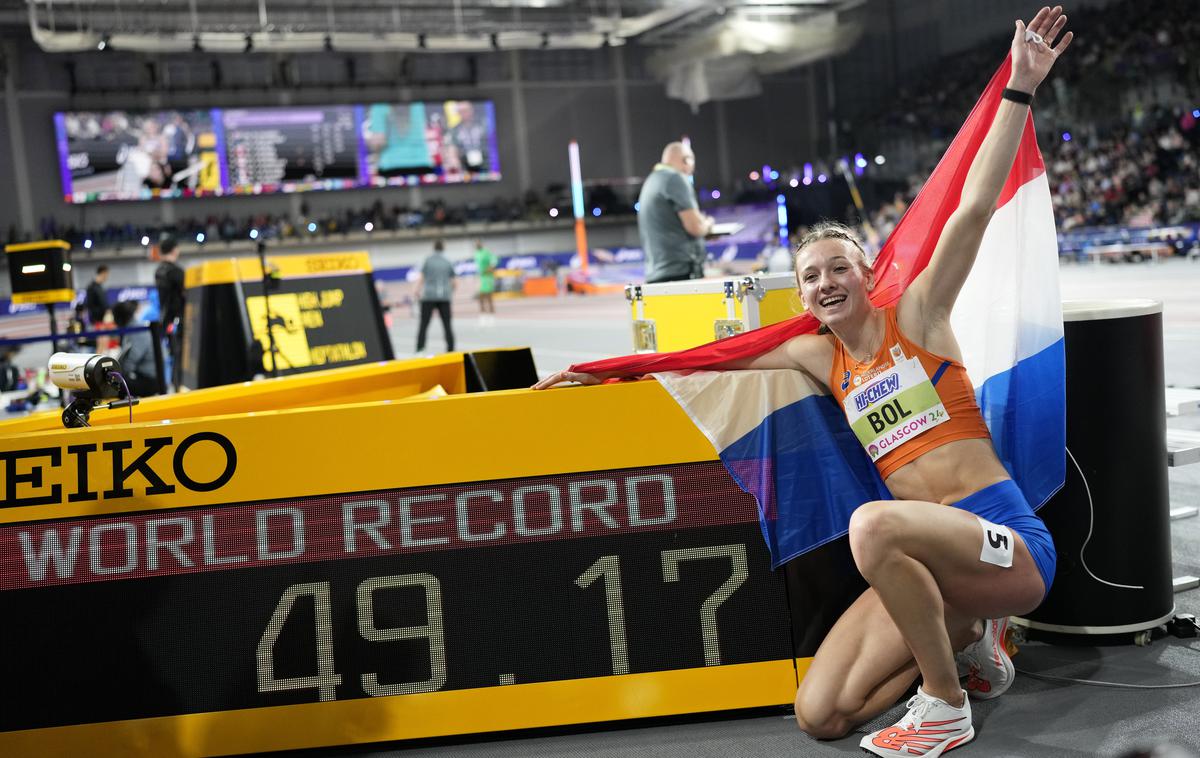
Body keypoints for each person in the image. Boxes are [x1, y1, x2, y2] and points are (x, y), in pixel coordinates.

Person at [535, 9, 1072, 755]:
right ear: (802, 296)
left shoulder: (918, 316)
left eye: (838, 267)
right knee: (821, 714)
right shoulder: (818, 359)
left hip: (1003, 544)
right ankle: (961, 644)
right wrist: (605, 373)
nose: (825, 282)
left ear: (867, 274)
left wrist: (1019, 87)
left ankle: (946, 704)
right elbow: (706, 360)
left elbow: (973, 208)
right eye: (809, 275)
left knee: (871, 524)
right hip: (924, 570)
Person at [637, 142, 716, 283]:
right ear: (686, 160)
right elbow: (695, 228)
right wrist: (708, 224)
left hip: (657, 272)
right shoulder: (675, 178)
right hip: (679, 271)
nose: (690, 170)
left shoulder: (651, 180)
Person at [415, 239, 456, 355]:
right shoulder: (448, 261)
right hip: (444, 297)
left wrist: (416, 291)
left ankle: (420, 349)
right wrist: (450, 293)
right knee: (447, 325)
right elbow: (454, 282)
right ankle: (451, 349)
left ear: (434, 247)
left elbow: (421, 278)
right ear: (443, 247)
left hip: (428, 296)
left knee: (423, 324)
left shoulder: (428, 260)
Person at [154, 235, 185, 387]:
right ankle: (179, 383)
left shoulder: (158, 271)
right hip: (178, 319)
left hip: (166, 319)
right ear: (175, 250)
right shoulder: (176, 272)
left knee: (173, 353)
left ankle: (174, 383)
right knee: (180, 354)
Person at [111, 300, 159, 397]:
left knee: (112, 384)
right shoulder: (132, 328)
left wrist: (118, 375)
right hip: (142, 375)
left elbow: (131, 359)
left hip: (150, 381)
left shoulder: (137, 331)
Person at [473, 239, 498, 324]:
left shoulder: (486, 252)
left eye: (478, 243)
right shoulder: (476, 254)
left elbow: (494, 261)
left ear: (481, 244)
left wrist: (489, 269)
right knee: (480, 298)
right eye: (475, 244)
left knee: (489, 297)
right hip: (481, 278)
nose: (476, 245)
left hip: (488, 277)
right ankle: (483, 316)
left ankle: (492, 316)